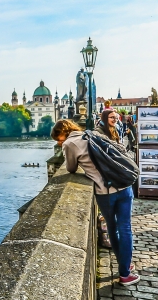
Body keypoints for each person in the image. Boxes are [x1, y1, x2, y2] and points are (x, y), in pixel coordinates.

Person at [51, 116, 138, 285]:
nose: (59, 143)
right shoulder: (92, 134)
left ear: (63, 134)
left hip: (105, 192)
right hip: (124, 185)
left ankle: (124, 270)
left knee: (112, 228)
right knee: (126, 228)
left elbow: (70, 168)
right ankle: (125, 270)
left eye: (58, 140)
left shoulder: (70, 144)